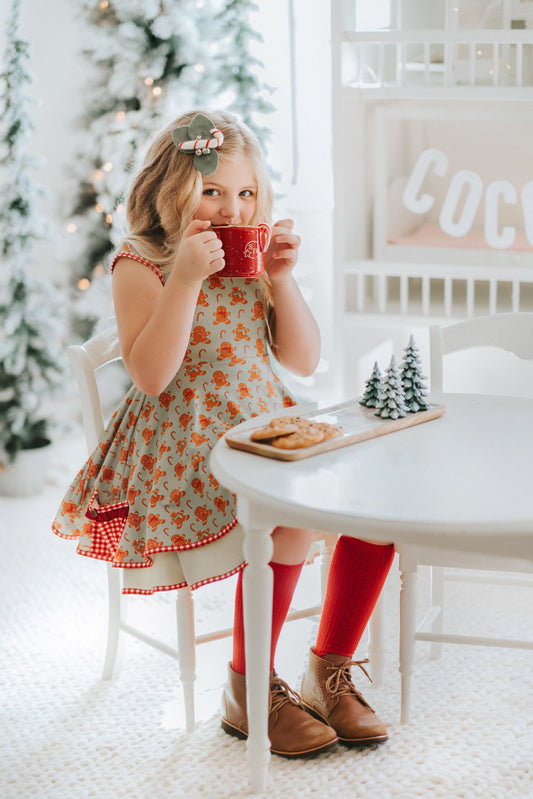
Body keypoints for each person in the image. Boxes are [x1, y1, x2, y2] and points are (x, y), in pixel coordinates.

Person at [52, 110, 394, 758]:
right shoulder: (141, 264)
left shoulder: (252, 258)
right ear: (169, 188)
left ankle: (330, 667)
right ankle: (247, 686)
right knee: (289, 523)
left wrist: (282, 279)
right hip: (181, 445)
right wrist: (184, 277)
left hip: (262, 425)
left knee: (374, 507)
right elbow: (152, 377)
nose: (233, 209)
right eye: (212, 192)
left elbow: (300, 359)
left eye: (245, 194)